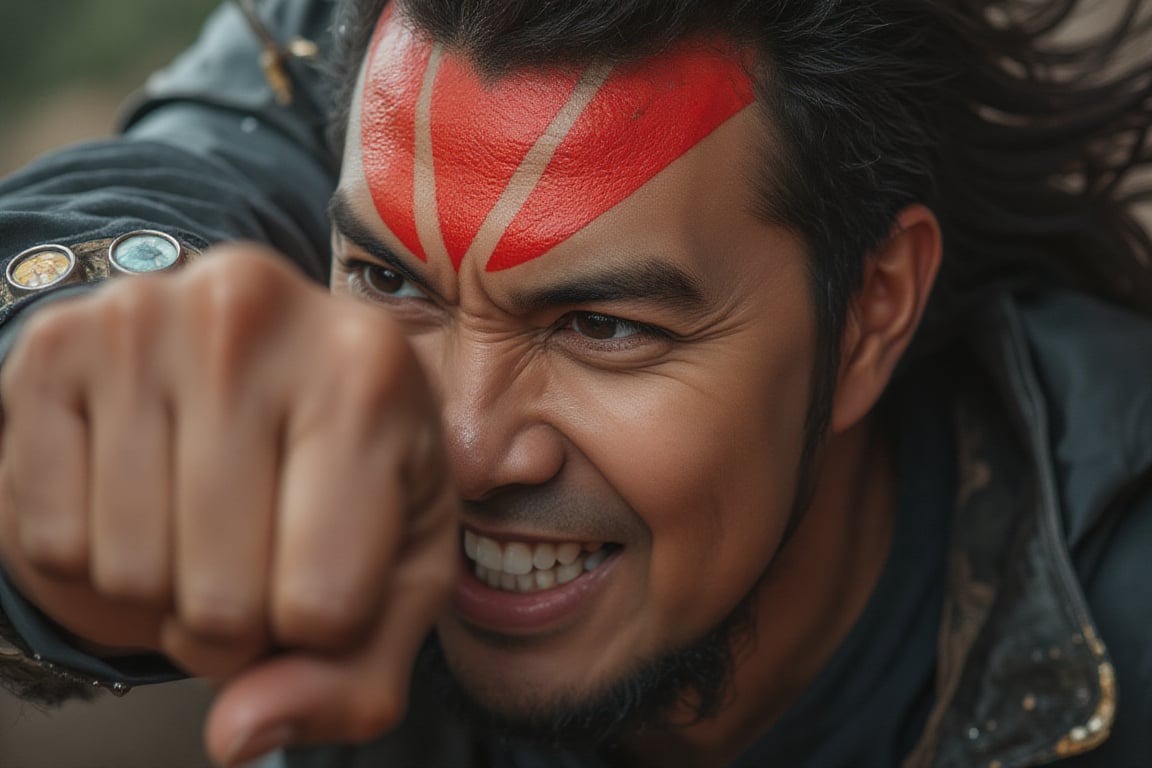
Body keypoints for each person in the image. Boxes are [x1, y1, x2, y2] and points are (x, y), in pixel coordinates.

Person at [0, 0, 1150, 766]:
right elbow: (173, 197)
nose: (461, 445)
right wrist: (78, 435)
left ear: (872, 312)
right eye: (393, 284)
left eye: (602, 325)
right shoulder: (381, 77)